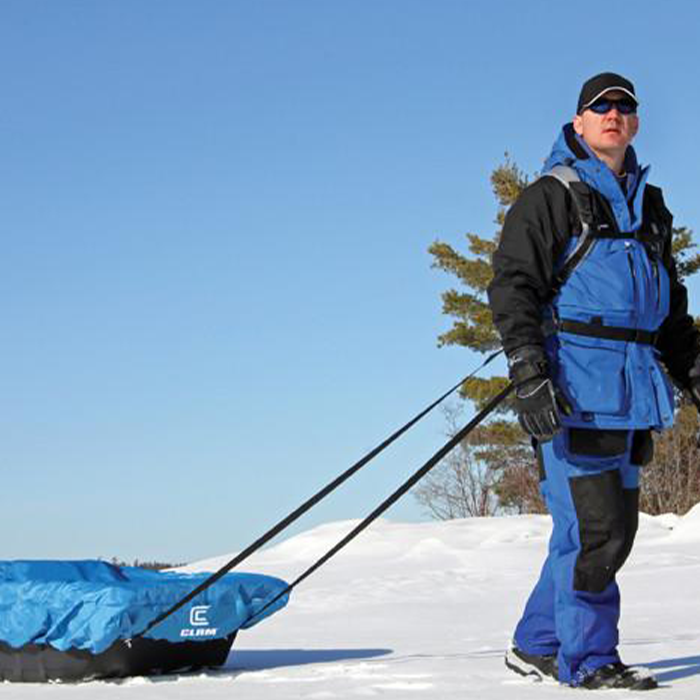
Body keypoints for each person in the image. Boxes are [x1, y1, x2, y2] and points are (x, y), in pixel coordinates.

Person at [487, 72, 700, 690]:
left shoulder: (649, 205)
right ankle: (589, 659)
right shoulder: (550, 196)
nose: (613, 113)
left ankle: (537, 644)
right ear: (578, 123)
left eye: (625, 106)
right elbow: (513, 287)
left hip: (632, 394)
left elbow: (671, 312)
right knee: (597, 533)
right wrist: (528, 373)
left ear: (635, 123)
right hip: (571, 390)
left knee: (601, 531)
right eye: (599, 106)